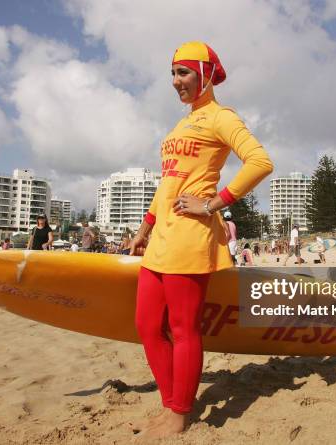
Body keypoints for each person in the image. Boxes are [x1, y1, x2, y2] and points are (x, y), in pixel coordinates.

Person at [127, 41, 273, 439]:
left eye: (184, 73)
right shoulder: (180, 126)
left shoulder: (220, 118)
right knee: (145, 325)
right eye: (173, 74)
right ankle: (169, 403)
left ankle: (179, 414)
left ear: (206, 74)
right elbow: (168, 185)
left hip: (190, 238)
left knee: (184, 328)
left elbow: (260, 161)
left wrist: (214, 203)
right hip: (161, 240)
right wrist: (144, 228)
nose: (176, 82)